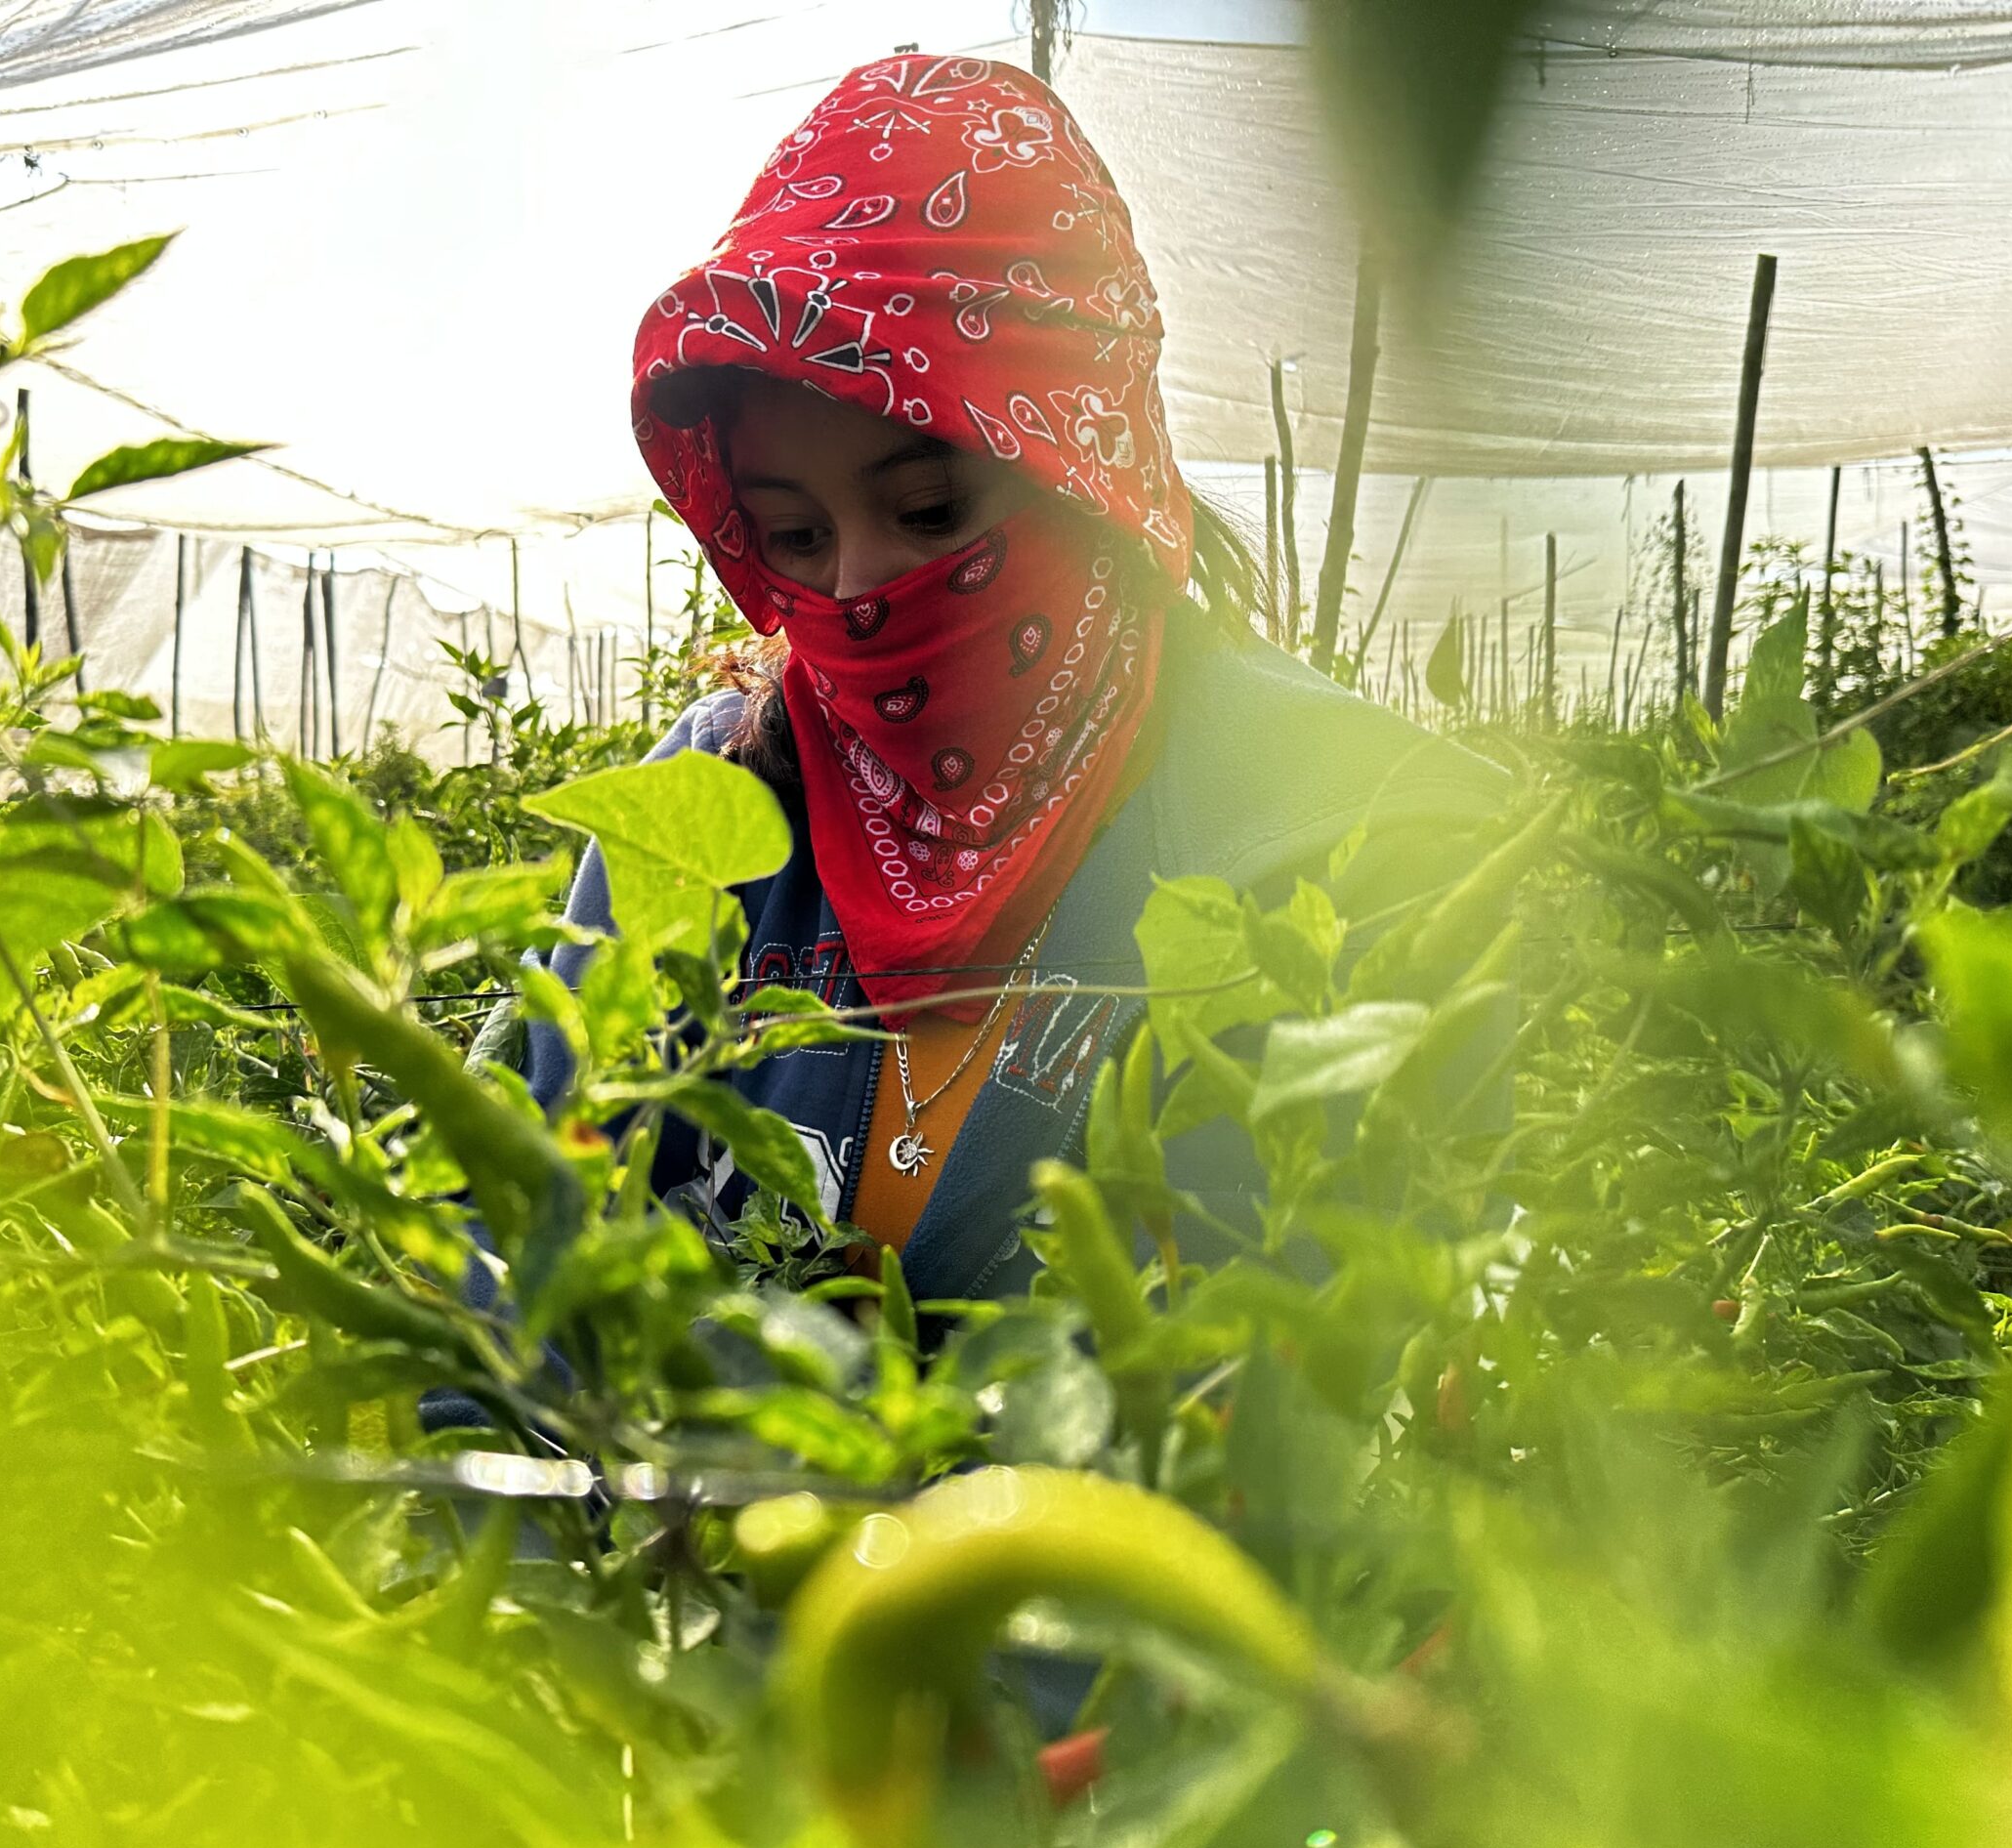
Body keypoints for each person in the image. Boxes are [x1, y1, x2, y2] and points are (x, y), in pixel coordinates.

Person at [482, 52, 1502, 1306]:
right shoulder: (709, 813)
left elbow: (1330, 1381)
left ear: (1082, 461)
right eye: (795, 537)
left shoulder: (1338, 830)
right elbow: (522, 1273)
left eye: (927, 506)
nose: (857, 592)